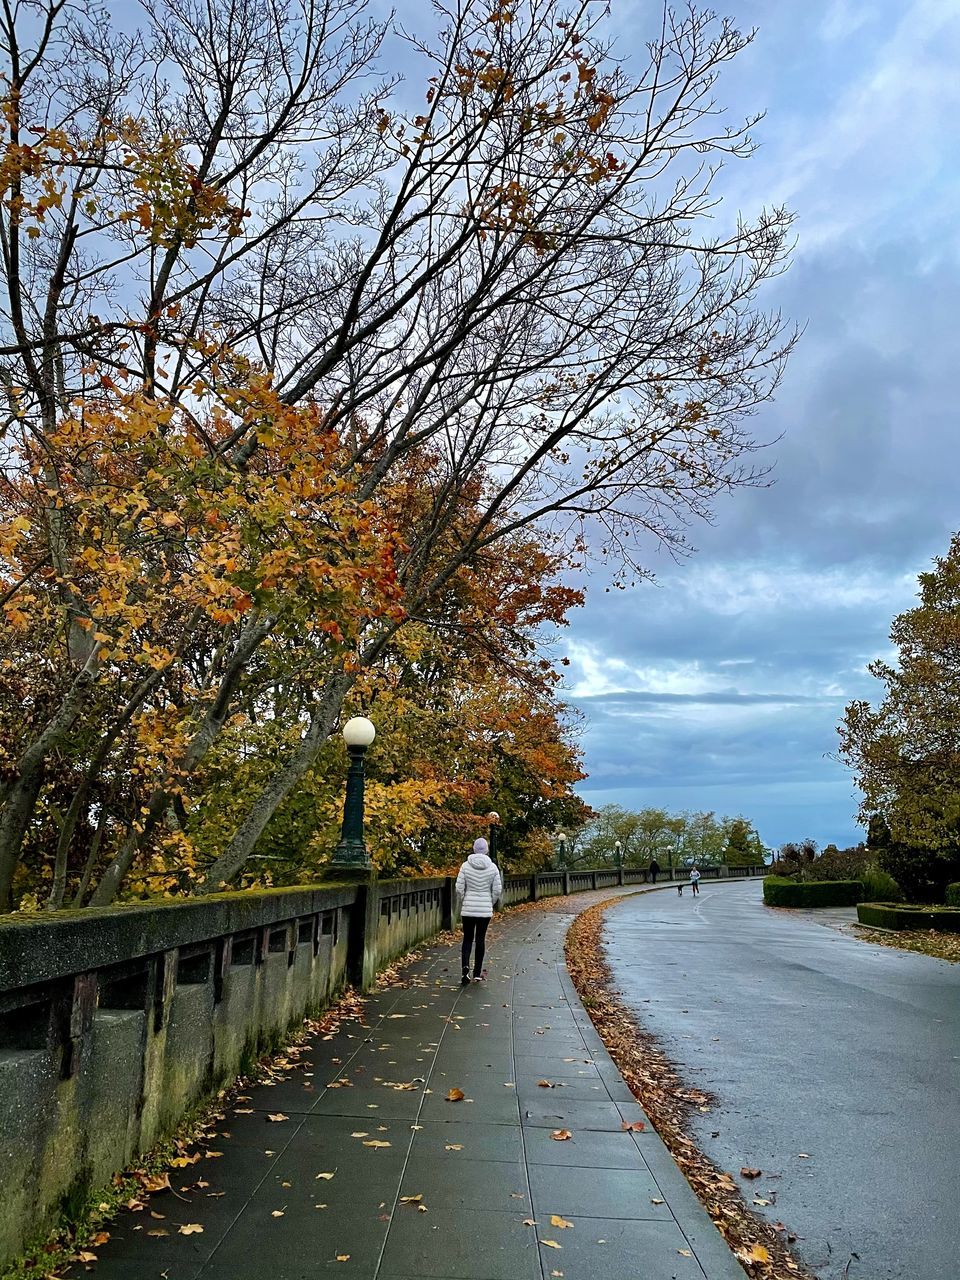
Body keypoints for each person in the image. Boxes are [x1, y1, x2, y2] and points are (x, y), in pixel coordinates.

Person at [455, 837, 503, 984]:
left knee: (467, 939)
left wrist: (465, 900)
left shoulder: (465, 866)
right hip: (484, 910)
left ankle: (465, 967)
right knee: (480, 939)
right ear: (487, 850)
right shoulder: (492, 867)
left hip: (468, 910)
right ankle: (477, 973)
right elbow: (497, 890)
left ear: (474, 849)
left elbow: (459, 888)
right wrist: (490, 902)